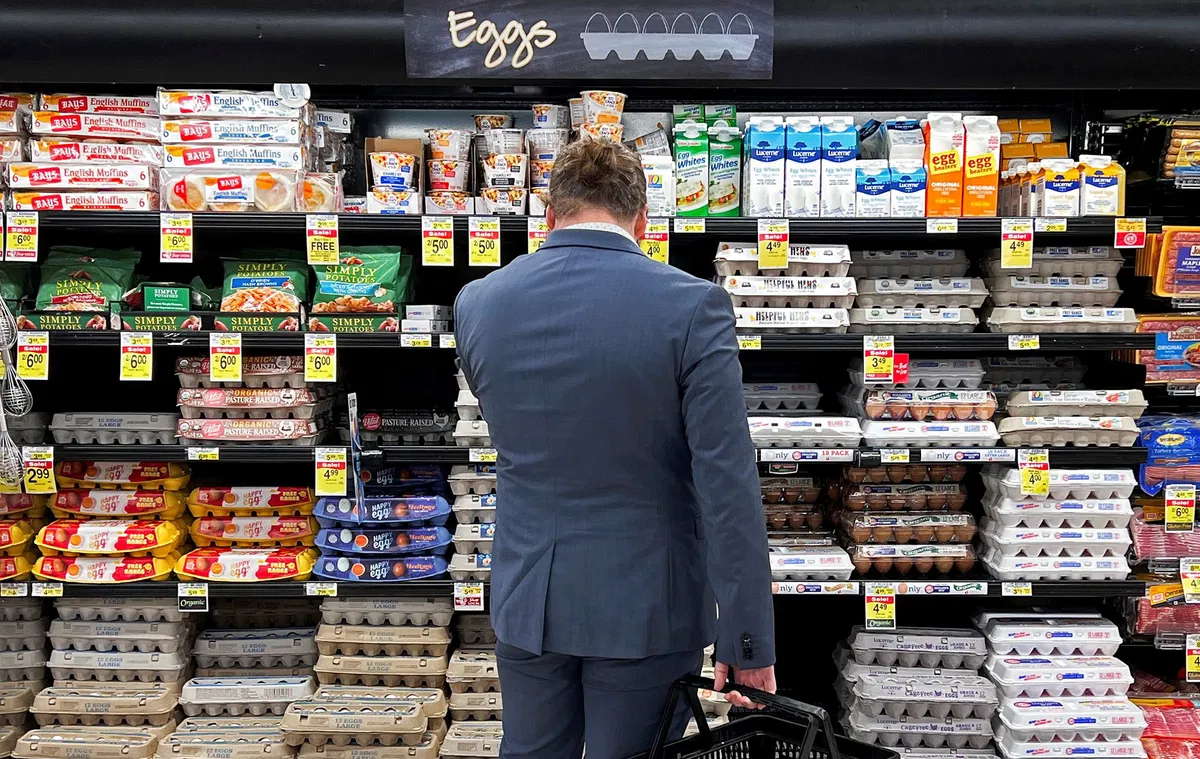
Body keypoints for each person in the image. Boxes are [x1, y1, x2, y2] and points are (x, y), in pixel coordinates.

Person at [454, 137, 775, 759]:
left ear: (548, 216)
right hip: (646, 607)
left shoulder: (479, 302)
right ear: (644, 221)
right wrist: (747, 640)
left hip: (528, 597)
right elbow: (726, 484)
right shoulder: (693, 305)